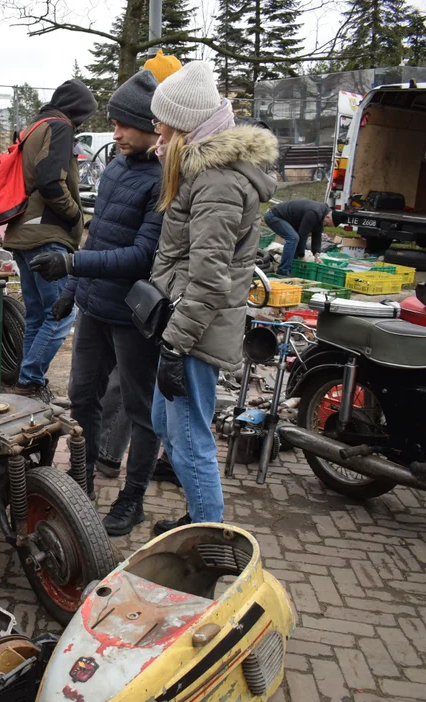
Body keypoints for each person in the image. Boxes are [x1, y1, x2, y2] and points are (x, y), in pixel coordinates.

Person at [28, 69, 166, 535]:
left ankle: (133, 499)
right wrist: (72, 292)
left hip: (132, 316)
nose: (117, 133)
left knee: (139, 409)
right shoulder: (114, 169)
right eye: (115, 122)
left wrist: (70, 269)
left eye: (126, 125)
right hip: (94, 308)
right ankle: (82, 480)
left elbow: (141, 255)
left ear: (153, 126)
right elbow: (96, 236)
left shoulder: (162, 180)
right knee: (83, 395)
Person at [147, 61, 278, 533]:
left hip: (195, 334)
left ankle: (208, 536)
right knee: (168, 427)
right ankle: (200, 516)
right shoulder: (200, 172)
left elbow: (207, 279)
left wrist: (175, 343)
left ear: (183, 124)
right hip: (186, 323)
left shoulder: (217, 181)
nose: (155, 131)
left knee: (191, 439)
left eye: (162, 122)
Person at [4, 79, 97, 403]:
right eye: (84, 116)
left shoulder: (36, 127)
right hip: (46, 235)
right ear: (77, 112)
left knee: (38, 315)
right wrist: (74, 216)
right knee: (60, 314)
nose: (82, 123)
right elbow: (50, 181)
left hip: (22, 233)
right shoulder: (60, 127)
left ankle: (28, 384)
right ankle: (29, 381)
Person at [264, 199, 337, 275]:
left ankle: (291, 269)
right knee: (293, 238)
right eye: (327, 224)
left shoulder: (321, 215)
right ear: (327, 217)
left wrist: (317, 255)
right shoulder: (314, 213)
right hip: (273, 215)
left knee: (296, 239)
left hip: (283, 218)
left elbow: (317, 235)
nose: (326, 226)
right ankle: (283, 270)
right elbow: (303, 234)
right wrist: (301, 256)